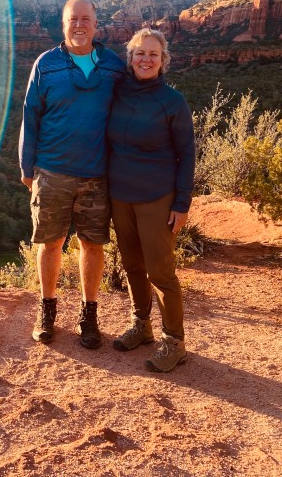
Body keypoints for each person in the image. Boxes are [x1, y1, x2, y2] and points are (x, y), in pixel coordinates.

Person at [19, 0, 124, 348]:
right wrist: (26, 165)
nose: (79, 25)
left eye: (85, 19)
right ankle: (47, 311)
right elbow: (30, 115)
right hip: (52, 171)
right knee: (50, 243)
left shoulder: (113, 66)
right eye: (72, 19)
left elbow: (132, 110)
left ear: (96, 24)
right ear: (63, 25)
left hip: (97, 175)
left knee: (92, 245)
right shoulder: (45, 64)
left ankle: (88, 315)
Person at [107, 28, 195, 372]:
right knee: (132, 265)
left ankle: (174, 342)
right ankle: (141, 326)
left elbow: (187, 154)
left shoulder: (172, 101)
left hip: (157, 197)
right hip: (120, 195)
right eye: (140, 53)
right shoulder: (117, 93)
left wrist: (182, 203)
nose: (146, 59)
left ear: (163, 61)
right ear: (130, 58)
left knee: (160, 272)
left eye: (153, 54)